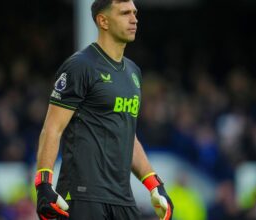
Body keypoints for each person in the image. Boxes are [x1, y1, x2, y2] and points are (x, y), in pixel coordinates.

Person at [33, 0, 174, 219]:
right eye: (125, 13)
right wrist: (43, 184)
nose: (134, 19)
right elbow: (52, 128)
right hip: (82, 196)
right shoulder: (80, 66)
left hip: (122, 198)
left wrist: (155, 183)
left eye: (135, 13)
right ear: (103, 21)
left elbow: (128, 135)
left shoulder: (133, 73)